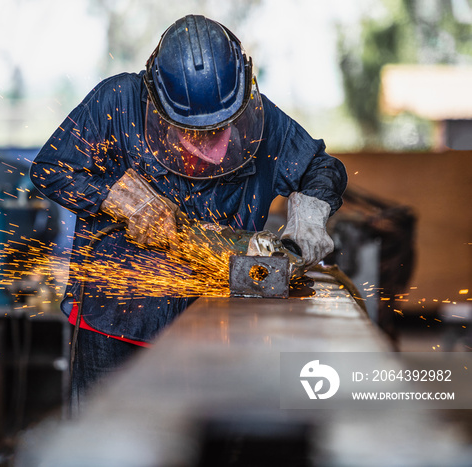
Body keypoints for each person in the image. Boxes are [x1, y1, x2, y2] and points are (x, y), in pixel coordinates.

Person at [30, 14, 347, 406]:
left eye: (220, 126)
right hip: (119, 322)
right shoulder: (118, 102)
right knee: (108, 441)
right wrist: (123, 202)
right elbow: (51, 169)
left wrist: (310, 216)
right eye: (191, 129)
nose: (207, 138)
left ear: (242, 93)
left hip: (220, 321)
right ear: (157, 99)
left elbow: (321, 167)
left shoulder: (265, 122)